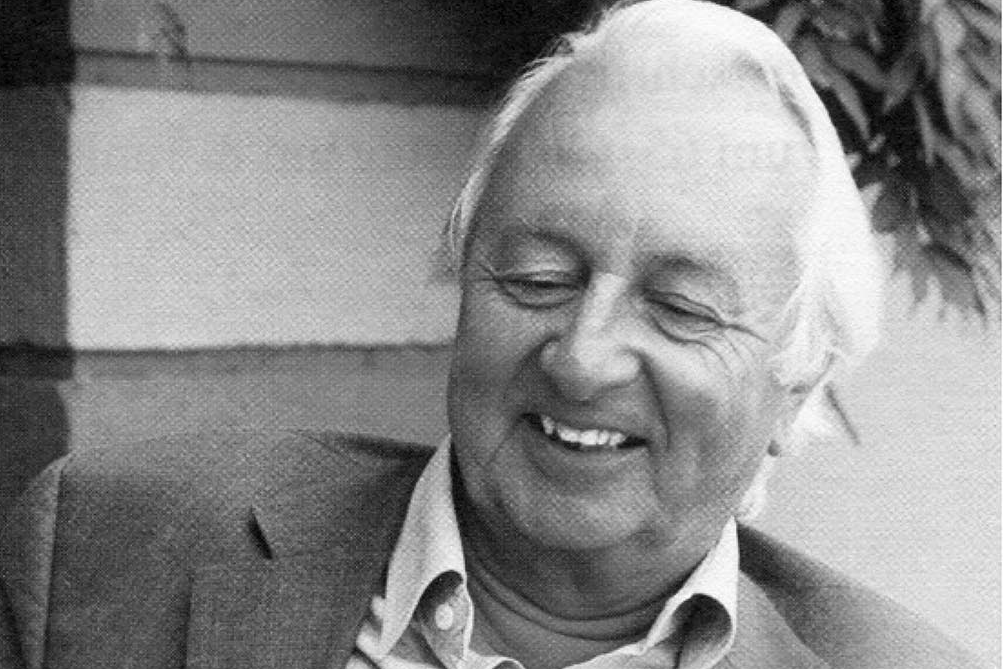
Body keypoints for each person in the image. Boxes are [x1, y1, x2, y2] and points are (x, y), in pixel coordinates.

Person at [0, 1, 985, 668]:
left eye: (681, 308)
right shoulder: (105, 543)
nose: (582, 357)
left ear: (799, 377)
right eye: (537, 278)